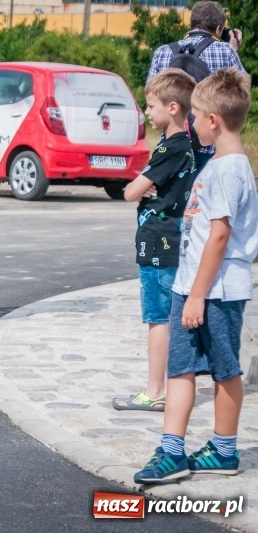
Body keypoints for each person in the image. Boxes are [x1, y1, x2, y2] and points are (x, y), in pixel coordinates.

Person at [134, 68, 258, 484]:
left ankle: (224, 450)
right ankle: (172, 450)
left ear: (214, 121)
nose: (191, 121)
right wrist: (189, 291)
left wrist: (198, 296)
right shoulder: (218, 164)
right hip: (191, 287)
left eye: (197, 114)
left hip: (216, 292)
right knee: (179, 369)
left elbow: (220, 236)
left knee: (225, 371)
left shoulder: (229, 170)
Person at [112, 69, 197, 413]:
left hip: (159, 242)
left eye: (151, 106)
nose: (147, 112)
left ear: (173, 107)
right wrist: (141, 185)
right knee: (162, 315)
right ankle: (160, 387)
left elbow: (130, 192)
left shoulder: (173, 147)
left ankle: (154, 390)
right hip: (162, 238)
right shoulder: (172, 143)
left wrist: (138, 186)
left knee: (158, 318)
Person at [147, 0, 245, 170]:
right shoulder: (225, 50)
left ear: (191, 24)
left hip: (170, 147)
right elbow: (241, 93)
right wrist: (234, 49)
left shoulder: (162, 52)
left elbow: (150, 96)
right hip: (209, 149)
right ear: (219, 29)